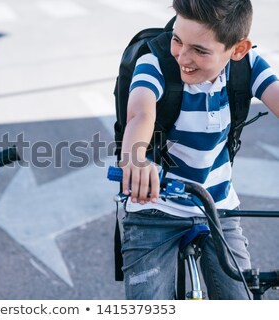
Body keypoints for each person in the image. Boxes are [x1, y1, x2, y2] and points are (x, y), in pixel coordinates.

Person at [119, 0, 279, 299]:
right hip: (155, 208)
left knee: (242, 302)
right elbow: (140, 113)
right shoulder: (155, 62)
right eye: (178, 40)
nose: (182, 56)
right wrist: (135, 158)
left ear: (238, 50)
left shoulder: (248, 65)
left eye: (200, 50)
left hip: (218, 208)